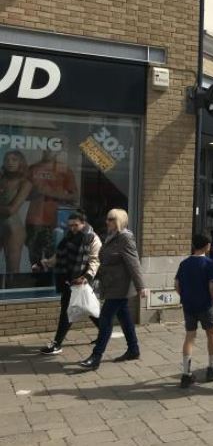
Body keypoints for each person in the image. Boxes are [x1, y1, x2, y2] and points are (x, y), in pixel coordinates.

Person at [80, 209, 146, 370]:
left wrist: (141, 286)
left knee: (105, 319)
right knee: (124, 317)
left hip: (119, 286)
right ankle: (133, 349)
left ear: (119, 221)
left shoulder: (125, 238)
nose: (107, 222)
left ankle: (96, 356)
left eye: (111, 219)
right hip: (111, 284)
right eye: (107, 218)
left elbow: (134, 263)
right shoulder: (111, 236)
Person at [36, 211, 101, 355]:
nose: (72, 228)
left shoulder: (92, 238)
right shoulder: (68, 237)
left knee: (68, 310)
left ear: (83, 223)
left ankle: (57, 344)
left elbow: (94, 260)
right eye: (70, 225)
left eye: (75, 225)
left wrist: (86, 277)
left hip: (83, 280)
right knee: (88, 308)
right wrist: (44, 264)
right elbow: (58, 257)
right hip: (68, 279)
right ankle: (105, 332)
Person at [175, 233, 213, 388]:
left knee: (190, 336)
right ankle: (212, 367)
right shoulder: (210, 264)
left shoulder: (184, 264)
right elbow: (212, 287)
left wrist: (185, 295)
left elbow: (177, 285)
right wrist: (212, 298)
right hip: (205, 304)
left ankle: (186, 373)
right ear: (207, 245)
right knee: (211, 333)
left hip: (188, 304)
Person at [25, 150, 78, 269]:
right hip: (34, 219)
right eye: (46, 149)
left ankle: (51, 283)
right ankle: (36, 283)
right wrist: (36, 192)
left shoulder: (63, 169)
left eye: (52, 149)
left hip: (55, 220)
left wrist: (51, 193)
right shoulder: (33, 169)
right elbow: (23, 195)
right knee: (34, 258)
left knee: (53, 256)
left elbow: (74, 196)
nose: (49, 152)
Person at [0, 150, 32, 275]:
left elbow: (11, 210)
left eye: (14, 159)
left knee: (12, 271)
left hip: (13, 228)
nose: (10, 162)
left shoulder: (25, 182)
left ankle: (13, 294)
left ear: (21, 162)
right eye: (7, 159)